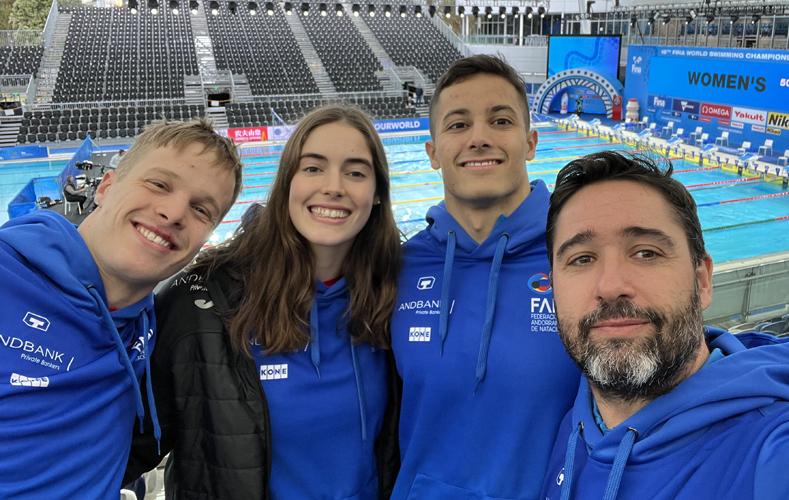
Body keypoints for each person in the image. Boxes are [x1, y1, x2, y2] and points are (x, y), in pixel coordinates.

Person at [540, 151, 789, 500]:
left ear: (702, 281)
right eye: (581, 259)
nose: (610, 286)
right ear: (553, 290)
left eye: (646, 252)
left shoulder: (787, 456)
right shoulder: (575, 422)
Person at [126, 105, 402, 500]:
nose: (334, 186)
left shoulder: (395, 293)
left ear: (377, 194)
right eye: (313, 168)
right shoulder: (204, 303)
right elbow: (123, 450)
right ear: (287, 183)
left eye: (356, 173)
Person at [0, 118, 242, 499]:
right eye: (158, 184)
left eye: (201, 209)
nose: (174, 212)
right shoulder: (8, 273)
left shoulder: (155, 326)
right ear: (105, 187)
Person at [389, 54, 582, 500]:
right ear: (433, 153)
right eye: (458, 125)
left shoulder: (579, 256)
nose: (478, 138)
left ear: (530, 142)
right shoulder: (397, 268)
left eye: (500, 121)